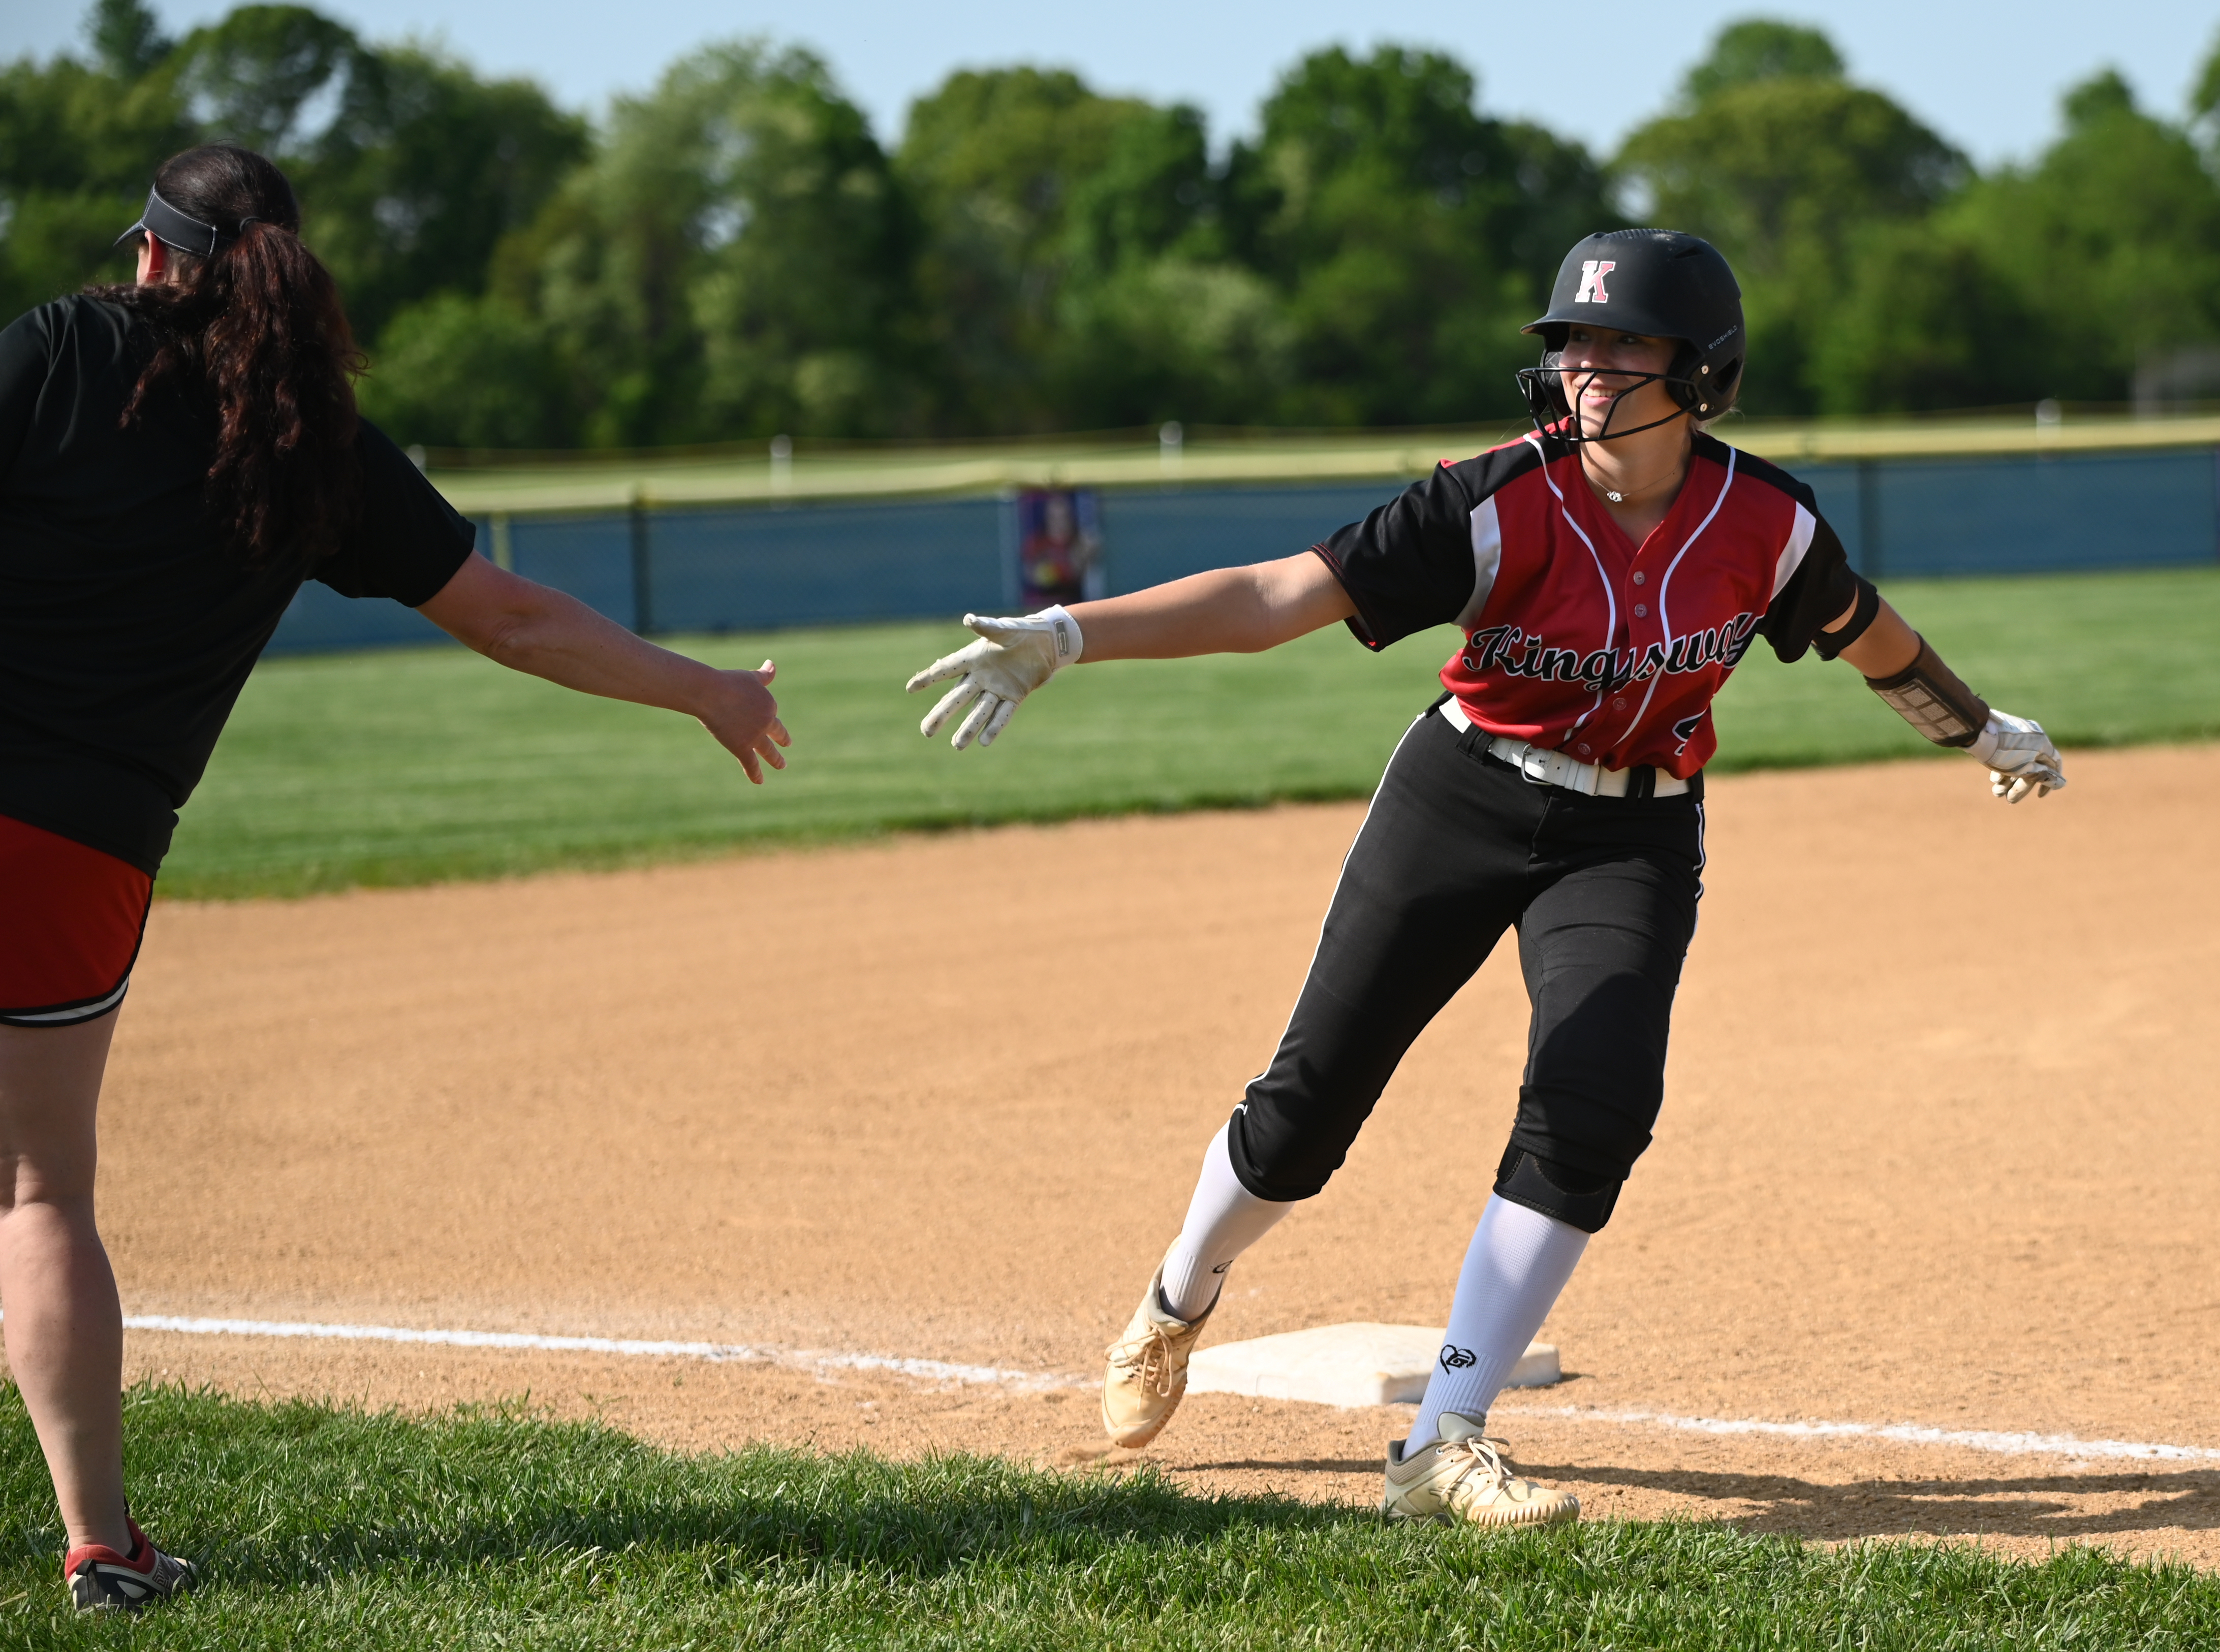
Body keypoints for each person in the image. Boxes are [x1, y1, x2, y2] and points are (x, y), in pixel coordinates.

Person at [905, 228, 2063, 1529]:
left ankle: (1442, 1439)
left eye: (1622, 342)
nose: (1584, 363)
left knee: (1598, 1095)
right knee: (1311, 1102)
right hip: (1463, 794)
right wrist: (1070, 633)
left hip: (1635, 831)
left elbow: (1865, 633)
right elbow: (1275, 592)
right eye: (1572, 338)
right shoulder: (1494, 500)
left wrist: (1980, 727)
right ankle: (1178, 1296)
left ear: (1702, 369)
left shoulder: (1767, 526)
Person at [0, 144, 790, 1611]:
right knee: (39, 1193)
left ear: (156, 257)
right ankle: (103, 1550)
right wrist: (705, 693)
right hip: (83, 849)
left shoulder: (64, 347)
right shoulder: (311, 442)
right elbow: (512, 617)